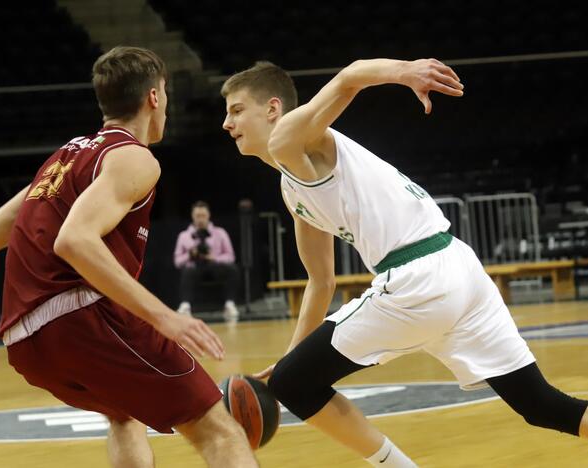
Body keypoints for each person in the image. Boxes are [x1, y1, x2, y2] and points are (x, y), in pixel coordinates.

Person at [221, 58, 588, 466]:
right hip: (459, 269)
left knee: (295, 384)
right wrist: (290, 356)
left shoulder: (289, 138)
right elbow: (320, 281)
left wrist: (405, 71)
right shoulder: (294, 191)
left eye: (236, 110)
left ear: (272, 109)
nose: (226, 123)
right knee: (541, 405)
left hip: (419, 278)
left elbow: (350, 75)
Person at [0, 46, 258, 468]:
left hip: (24, 342)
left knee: (123, 414)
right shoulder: (134, 157)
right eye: (164, 92)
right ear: (153, 97)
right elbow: (74, 240)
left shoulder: (61, 162)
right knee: (218, 430)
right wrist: (164, 317)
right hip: (80, 320)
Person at [173, 201, 240, 319]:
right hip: (194, 268)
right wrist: (190, 255)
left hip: (215, 266)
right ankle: (185, 306)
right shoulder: (184, 236)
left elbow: (231, 256)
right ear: (192, 216)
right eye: (197, 216)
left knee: (232, 269)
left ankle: (230, 304)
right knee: (188, 271)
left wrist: (214, 258)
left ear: (208, 215)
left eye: (203, 216)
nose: (200, 219)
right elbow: (177, 261)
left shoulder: (220, 232)